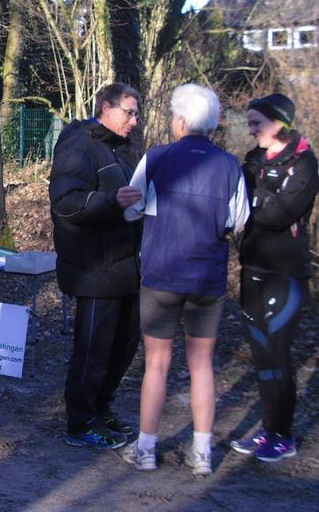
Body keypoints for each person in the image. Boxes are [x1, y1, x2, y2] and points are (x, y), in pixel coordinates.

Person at [122, 83, 249, 476]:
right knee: (202, 365)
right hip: (207, 278)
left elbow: (131, 209)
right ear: (210, 123)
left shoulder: (156, 158)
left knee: (157, 364)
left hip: (161, 275)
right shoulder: (230, 165)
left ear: (179, 120)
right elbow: (239, 220)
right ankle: (202, 453)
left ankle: (146, 449)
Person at [49, 82, 144, 450]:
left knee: (123, 346)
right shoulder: (79, 146)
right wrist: (112, 201)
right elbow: (67, 206)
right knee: (93, 351)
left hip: (125, 268)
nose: (134, 121)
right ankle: (81, 422)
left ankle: (101, 409)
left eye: (137, 114)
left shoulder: (118, 149)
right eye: (129, 112)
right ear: (106, 107)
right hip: (94, 268)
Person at [230, 94, 318, 463]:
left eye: (257, 123)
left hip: (287, 274)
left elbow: (280, 215)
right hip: (253, 269)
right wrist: (255, 205)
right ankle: (269, 431)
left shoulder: (304, 161)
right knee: (261, 354)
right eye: (249, 123)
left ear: (280, 121)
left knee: (277, 353)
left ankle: (283, 435)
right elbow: (237, 204)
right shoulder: (253, 159)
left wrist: (253, 205)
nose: (251, 131)